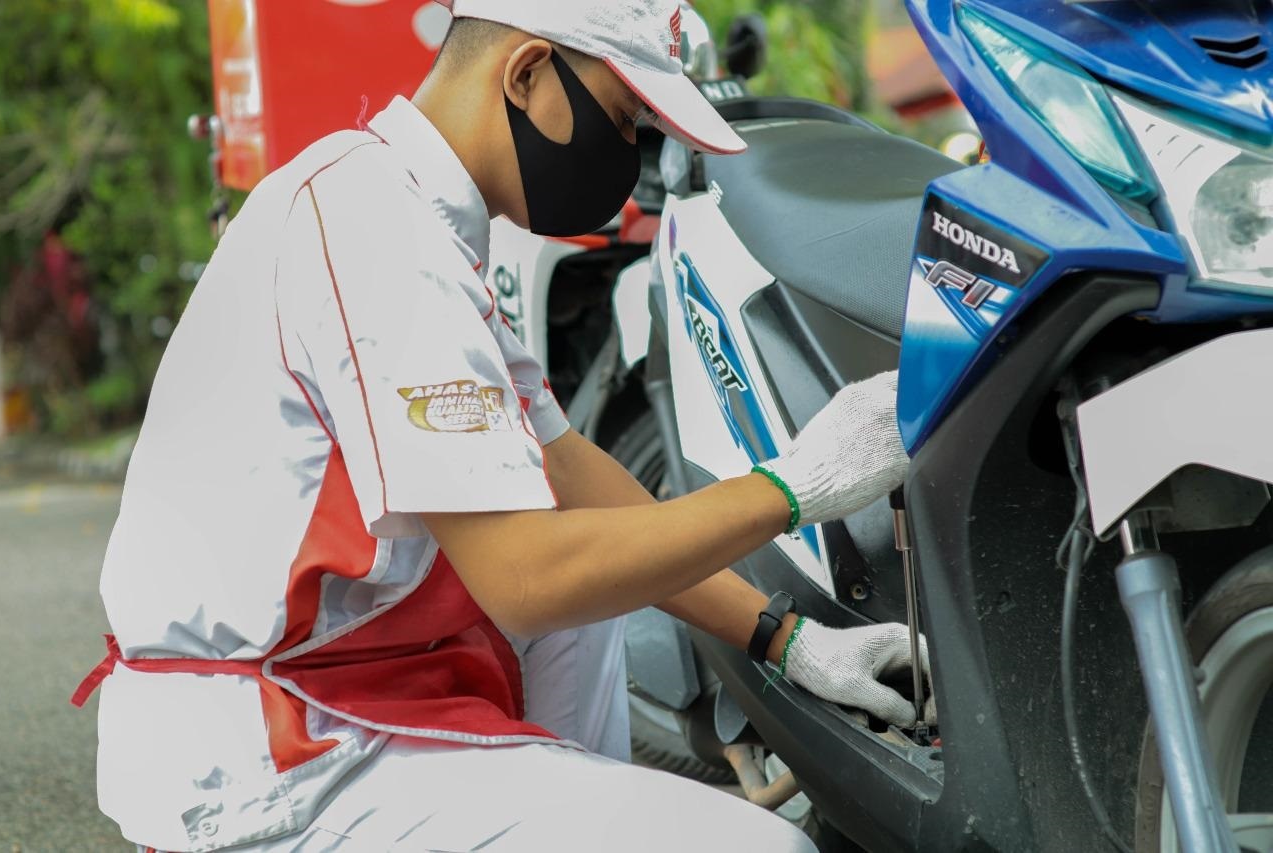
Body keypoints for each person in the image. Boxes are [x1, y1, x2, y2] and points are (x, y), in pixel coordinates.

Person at [74, 1, 929, 849]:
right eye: (622, 119)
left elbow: (569, 472)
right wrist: (794, 487)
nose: (625, 154)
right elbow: (525, 578)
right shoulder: (377, 230)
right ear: (526, 74)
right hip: (280, 753)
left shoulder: (403, 210)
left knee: (593, 578)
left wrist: (785, 639)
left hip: (334, 695)